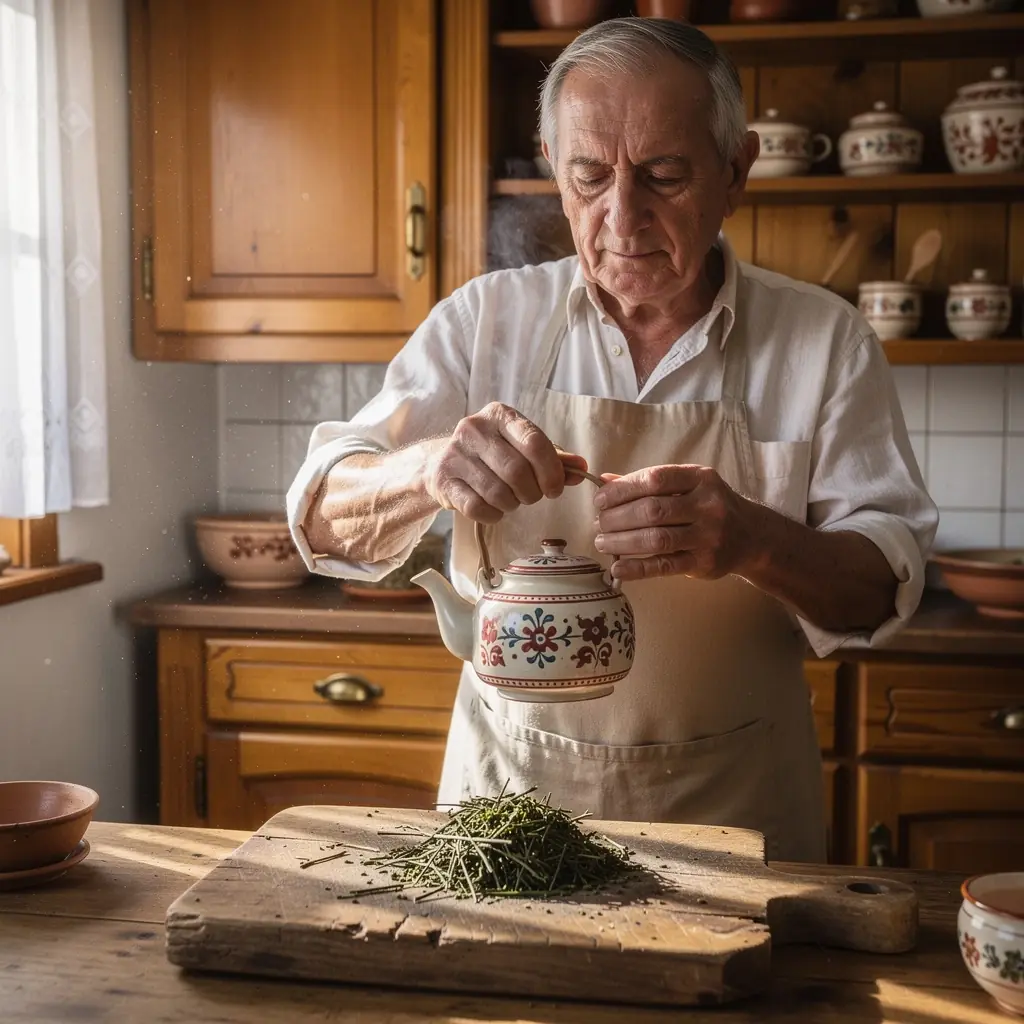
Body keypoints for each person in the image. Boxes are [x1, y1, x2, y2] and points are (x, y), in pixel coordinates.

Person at [286, 18, 937, 862]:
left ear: (736, 170)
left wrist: (751, 538)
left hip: (739, 814)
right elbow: (321, 521)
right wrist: (427, 469)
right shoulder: (485, 323)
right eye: (590, 177)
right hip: (509, 814)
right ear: (555, 171)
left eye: (664, 176)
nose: (622, 217)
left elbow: (883, 589)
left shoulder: (826, 342)